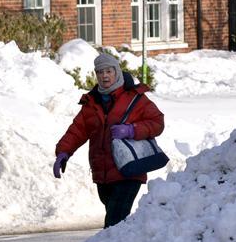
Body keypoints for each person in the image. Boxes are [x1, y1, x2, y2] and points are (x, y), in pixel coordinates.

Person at [53, 53, 165, 228]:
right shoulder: (92, 102)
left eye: (109, 71)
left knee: (114, 224)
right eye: (100, 72)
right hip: (103, 175)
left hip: (128, 171)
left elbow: (157, 123)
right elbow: (78, 130)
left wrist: (132, 130)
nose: (104, 76)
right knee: (117, 222)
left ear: (117, 72)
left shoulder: (135, 98)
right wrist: (63, 152)